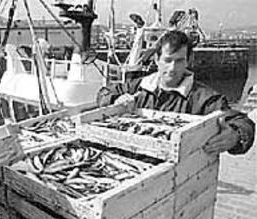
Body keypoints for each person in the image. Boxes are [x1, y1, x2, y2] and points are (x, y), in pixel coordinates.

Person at [97, 30, 255, 155]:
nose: (172, 68)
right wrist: (116, 99)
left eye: (179, 61)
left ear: (188, 61)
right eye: (167, 60)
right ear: (156, 59)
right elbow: (104, 93)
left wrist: (236, 135)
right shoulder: (138, 86)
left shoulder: (203, 98)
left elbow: (242, 121)